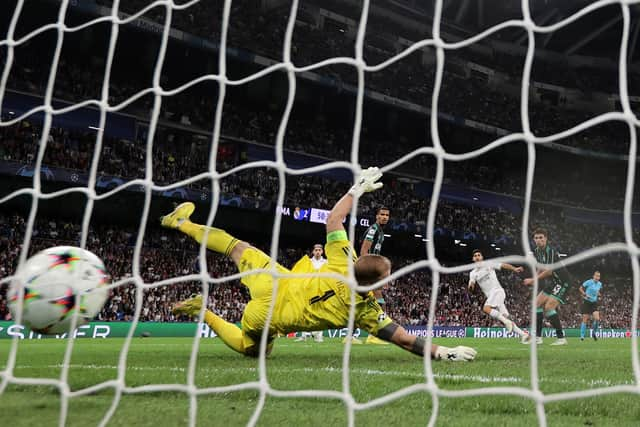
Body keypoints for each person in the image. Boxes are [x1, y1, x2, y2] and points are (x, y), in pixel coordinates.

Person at [163, 167, 476, 361]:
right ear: (376, 286)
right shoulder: (365, 311)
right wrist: (442, 352)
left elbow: (334, 217)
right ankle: (200, 311)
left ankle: (182, 224)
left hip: (275, 279)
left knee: (237, 247)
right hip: (270, 315)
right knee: (252, 349)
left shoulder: (344, 258)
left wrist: (357, 189)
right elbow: (405, 341)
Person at [468, 249, 529, 343]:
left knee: (486, 308)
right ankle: (524, 335)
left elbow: (503, 265)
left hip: (497, 291)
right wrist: (471, 287)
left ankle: (507, 323)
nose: (477, 257)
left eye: (479, 255)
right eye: (475, 255)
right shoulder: (472, 273)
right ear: (473, 259)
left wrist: (514, 268)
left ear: (482, 257)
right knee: (505, 317)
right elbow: (471, 285)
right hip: (491, 296)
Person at [523, 228, 571, 345]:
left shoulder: (550, 251)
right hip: (554, 282)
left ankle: (561, 338)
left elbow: (549, 271)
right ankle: (538, 338)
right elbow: (541, 267)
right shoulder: (537, 251)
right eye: (536, 238)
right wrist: (536, 276)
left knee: (549, 307)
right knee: (536, 304)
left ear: (546, 239)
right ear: (534, 240)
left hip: (563, 282)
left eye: (541, 238)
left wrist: (533, 279)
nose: (539, 240)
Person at [359, 206, 391, 345]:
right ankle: (376, 335)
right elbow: (364, 250)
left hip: (371, 268)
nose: (384, 217)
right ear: (377, 216)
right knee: (380, 300)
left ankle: (350, 336)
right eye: (382, 214)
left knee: (360, 301)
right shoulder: (373, 229)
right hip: (368, 268)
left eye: (387, 215)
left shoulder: (380, 231)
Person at [291, 244, 327, 343]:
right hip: (308, 289)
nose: (318, 251)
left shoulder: (326, 262)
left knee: (320, 313)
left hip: (321, 290)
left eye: (319, 250)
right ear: (313, 252)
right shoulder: (308, 262)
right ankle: (304, 335)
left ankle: (318, 336)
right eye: (316, 250)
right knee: (305, 311)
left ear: (322, 251)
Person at [580, 271, 603, 341]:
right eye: (596, 276)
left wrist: (599, 294)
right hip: (586, 302)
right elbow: (580, 288)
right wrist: (584, 294)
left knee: (597, 319)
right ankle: (582, 336)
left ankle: (594, 333)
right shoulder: (589, 282)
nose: (597, 277)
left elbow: (597, 291)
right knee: (585, 319)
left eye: (598, 276)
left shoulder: (600, 284)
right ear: (593, 276)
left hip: (594, 303)